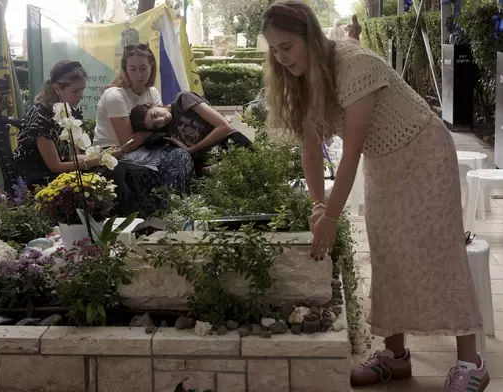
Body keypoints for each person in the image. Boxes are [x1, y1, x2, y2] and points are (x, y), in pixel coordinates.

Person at [262, 2, 488, 391]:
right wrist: (318, 206)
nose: (281, 59)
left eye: (287, 47)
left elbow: (349, 152)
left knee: (439, 251)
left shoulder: (356, 65)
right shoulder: (302, 77)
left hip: (424, 152)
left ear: (310, 38)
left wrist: (331, 220)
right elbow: (311, 147)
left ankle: (471, 363)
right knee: (387, 253)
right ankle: (395, 357)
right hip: (383, 160)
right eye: (274, 51)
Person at [93, 44, 194, 216]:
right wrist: (149, 134)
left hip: (145, 150)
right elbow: (129, 142)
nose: (139, 75)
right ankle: (160, 212)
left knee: (181, 157)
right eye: (132, 69)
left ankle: (175, 210)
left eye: (143, 68)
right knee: (174, 160)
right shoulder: (115, 95)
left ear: (152, 67)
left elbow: (160, 126)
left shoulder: (152, 92)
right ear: (125, 70)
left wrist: (146, 133)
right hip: (114, 153)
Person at [14, 61, 126, 187]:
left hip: (63, 173)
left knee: (116, 170)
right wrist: (98, 160)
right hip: (38, 178)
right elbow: (55, 166)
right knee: (110, 176)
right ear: (57, 88)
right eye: (75, 91)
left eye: (82, 90)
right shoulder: (41, 115)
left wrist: (104, 155)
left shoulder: (72, 111)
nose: (81, 96)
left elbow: (73, 157)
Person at [129, 91, 253, 175]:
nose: (161, 120)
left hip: (229, 143)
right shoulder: (165, 133)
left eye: (155, 114)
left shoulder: (183, 99)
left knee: (248, 163)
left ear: (151, 105)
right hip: (209, 162)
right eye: (155, 125)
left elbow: (224, 127)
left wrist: (192, 149)